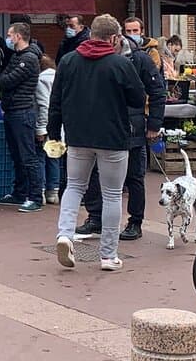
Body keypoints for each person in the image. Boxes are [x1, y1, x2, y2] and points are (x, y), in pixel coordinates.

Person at [49, 14, 146, 272]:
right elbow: (138, 98)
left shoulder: (68, 61)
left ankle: (65, 235)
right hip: (113, 138)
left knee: (74, 187)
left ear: (91, 34)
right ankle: (108, 255)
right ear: (114, 38)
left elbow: (55, 101)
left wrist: (53, 134)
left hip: (78, 136)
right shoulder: (120, 64)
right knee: (112, 194)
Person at [75, 34, 166, 241]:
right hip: (102, 126)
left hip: (132, 126)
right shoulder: (98, 58)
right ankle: (95, 217)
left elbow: (157, 91)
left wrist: (154, 124)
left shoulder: (139, 59)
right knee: (96, 173)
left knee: (134, 176)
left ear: (115, 38)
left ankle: (135, 221)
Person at [0, 23, 44, 213]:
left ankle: (35, 197)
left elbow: (6, 80)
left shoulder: (29, 58)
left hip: (22, 111)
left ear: (18, 36)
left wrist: (3, 80)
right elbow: (2, 78)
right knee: (17, 156)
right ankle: (19, 192)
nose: (7, 38)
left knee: (28, 156)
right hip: (12, 110)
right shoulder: (17, 56)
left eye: (9, 35)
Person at [35, 55, 59, 205]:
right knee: (54, 157)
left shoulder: (40, 81)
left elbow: (44, 105)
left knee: (40, 158)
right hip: (58, 125)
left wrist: (41, 128)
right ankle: (54, 192)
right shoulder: (60, 78)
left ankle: (41, 191)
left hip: (46, 126)